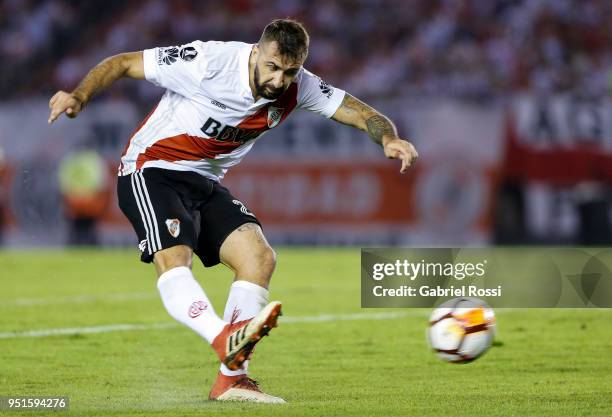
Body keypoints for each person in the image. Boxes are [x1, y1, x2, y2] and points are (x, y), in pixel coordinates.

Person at [47, 19, 418, 403]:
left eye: (289, 72)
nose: (278, 81)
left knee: (258, 258)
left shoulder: (300, 86)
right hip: (152, 168)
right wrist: (79, 96)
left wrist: (388, 137)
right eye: (273, 67)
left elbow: (359, 112)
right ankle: (222, 337)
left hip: (204, 183)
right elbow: (124, 62)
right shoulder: (208, 61)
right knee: (175, 257)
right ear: (257, 52)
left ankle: (232, 380)